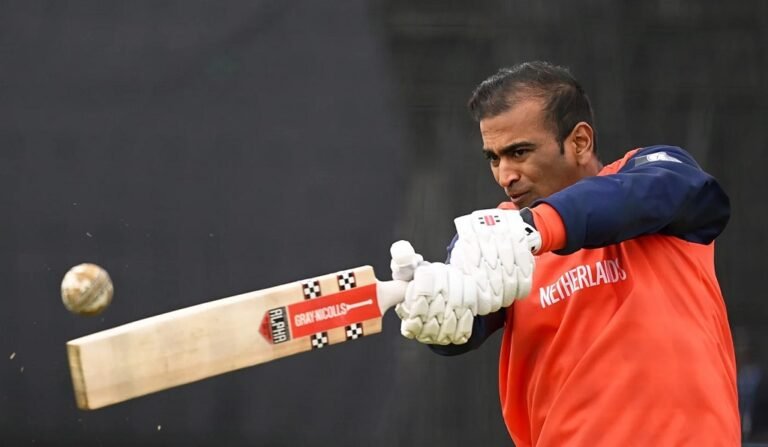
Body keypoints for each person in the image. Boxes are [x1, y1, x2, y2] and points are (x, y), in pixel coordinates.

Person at [391, 61, 740, 445]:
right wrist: (438, 309)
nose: (505, 174)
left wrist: (536, 227)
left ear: (579, 142)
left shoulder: (656, 175)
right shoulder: (496, 234)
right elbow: (465, 319)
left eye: (519, 152)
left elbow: (672, 193)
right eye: (494, 157)